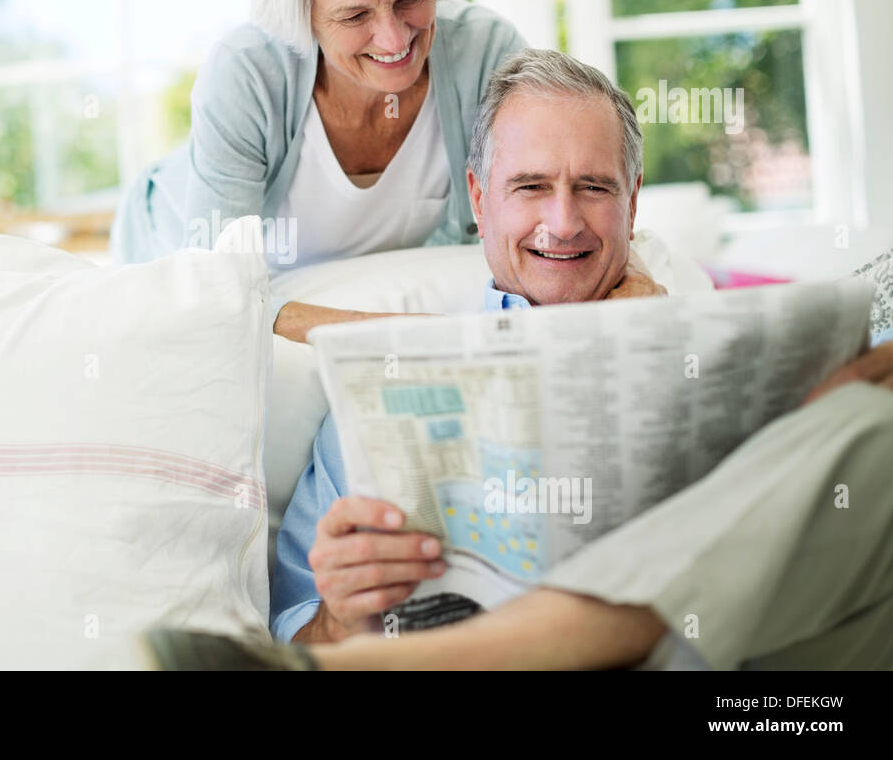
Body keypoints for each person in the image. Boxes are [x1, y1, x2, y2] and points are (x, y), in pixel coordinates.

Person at [141, 48, 893, 671]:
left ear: (632, 202)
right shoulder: (384, 385)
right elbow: (293, 636)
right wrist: (340, 619)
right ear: (478, 198)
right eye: (531, 187)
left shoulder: (709, 338)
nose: (562, 223)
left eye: (593, 188)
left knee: (873, 438)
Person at [111, 0, 664, 344]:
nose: (396, 40)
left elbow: (565, 187)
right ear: (301, 14)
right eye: (355, 16)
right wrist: (400, 337)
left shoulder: (482, 52)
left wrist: (634, 277)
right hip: (166, 239)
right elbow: (215, 294)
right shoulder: (248, 73)